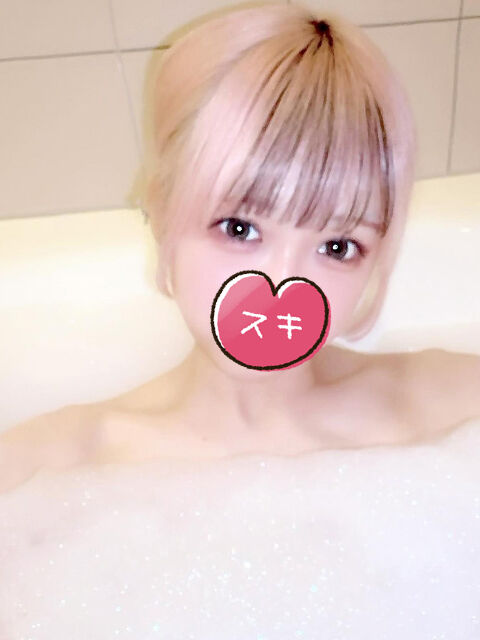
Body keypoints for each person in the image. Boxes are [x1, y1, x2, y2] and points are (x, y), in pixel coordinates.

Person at [1, 4, 480, 638]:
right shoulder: (42, 478)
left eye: (338, 246)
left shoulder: (459, 416)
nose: (284, 284)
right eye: (240, 228)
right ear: (162, 209)